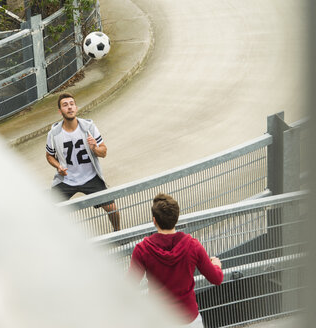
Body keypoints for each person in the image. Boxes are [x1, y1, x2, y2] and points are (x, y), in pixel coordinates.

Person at [128, 193, 223, 327]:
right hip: (189, 319)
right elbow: (216, 278)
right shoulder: (193, 246)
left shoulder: (142, 250)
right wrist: (216, 265)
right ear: (176, 219)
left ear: (154, 220)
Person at [45, 93, 120, 231]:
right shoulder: (54, 133)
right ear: (60, 111)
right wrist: (58, 166)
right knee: (49, 212)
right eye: (65, 105)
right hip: (66, 179)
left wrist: (94, 148)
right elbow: (49, 155)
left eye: (72, 104)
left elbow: (103, 152)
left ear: (76, 108)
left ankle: (118, 233)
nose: (69, 107)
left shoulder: (88, 127)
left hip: (90, 177)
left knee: (113, 209)